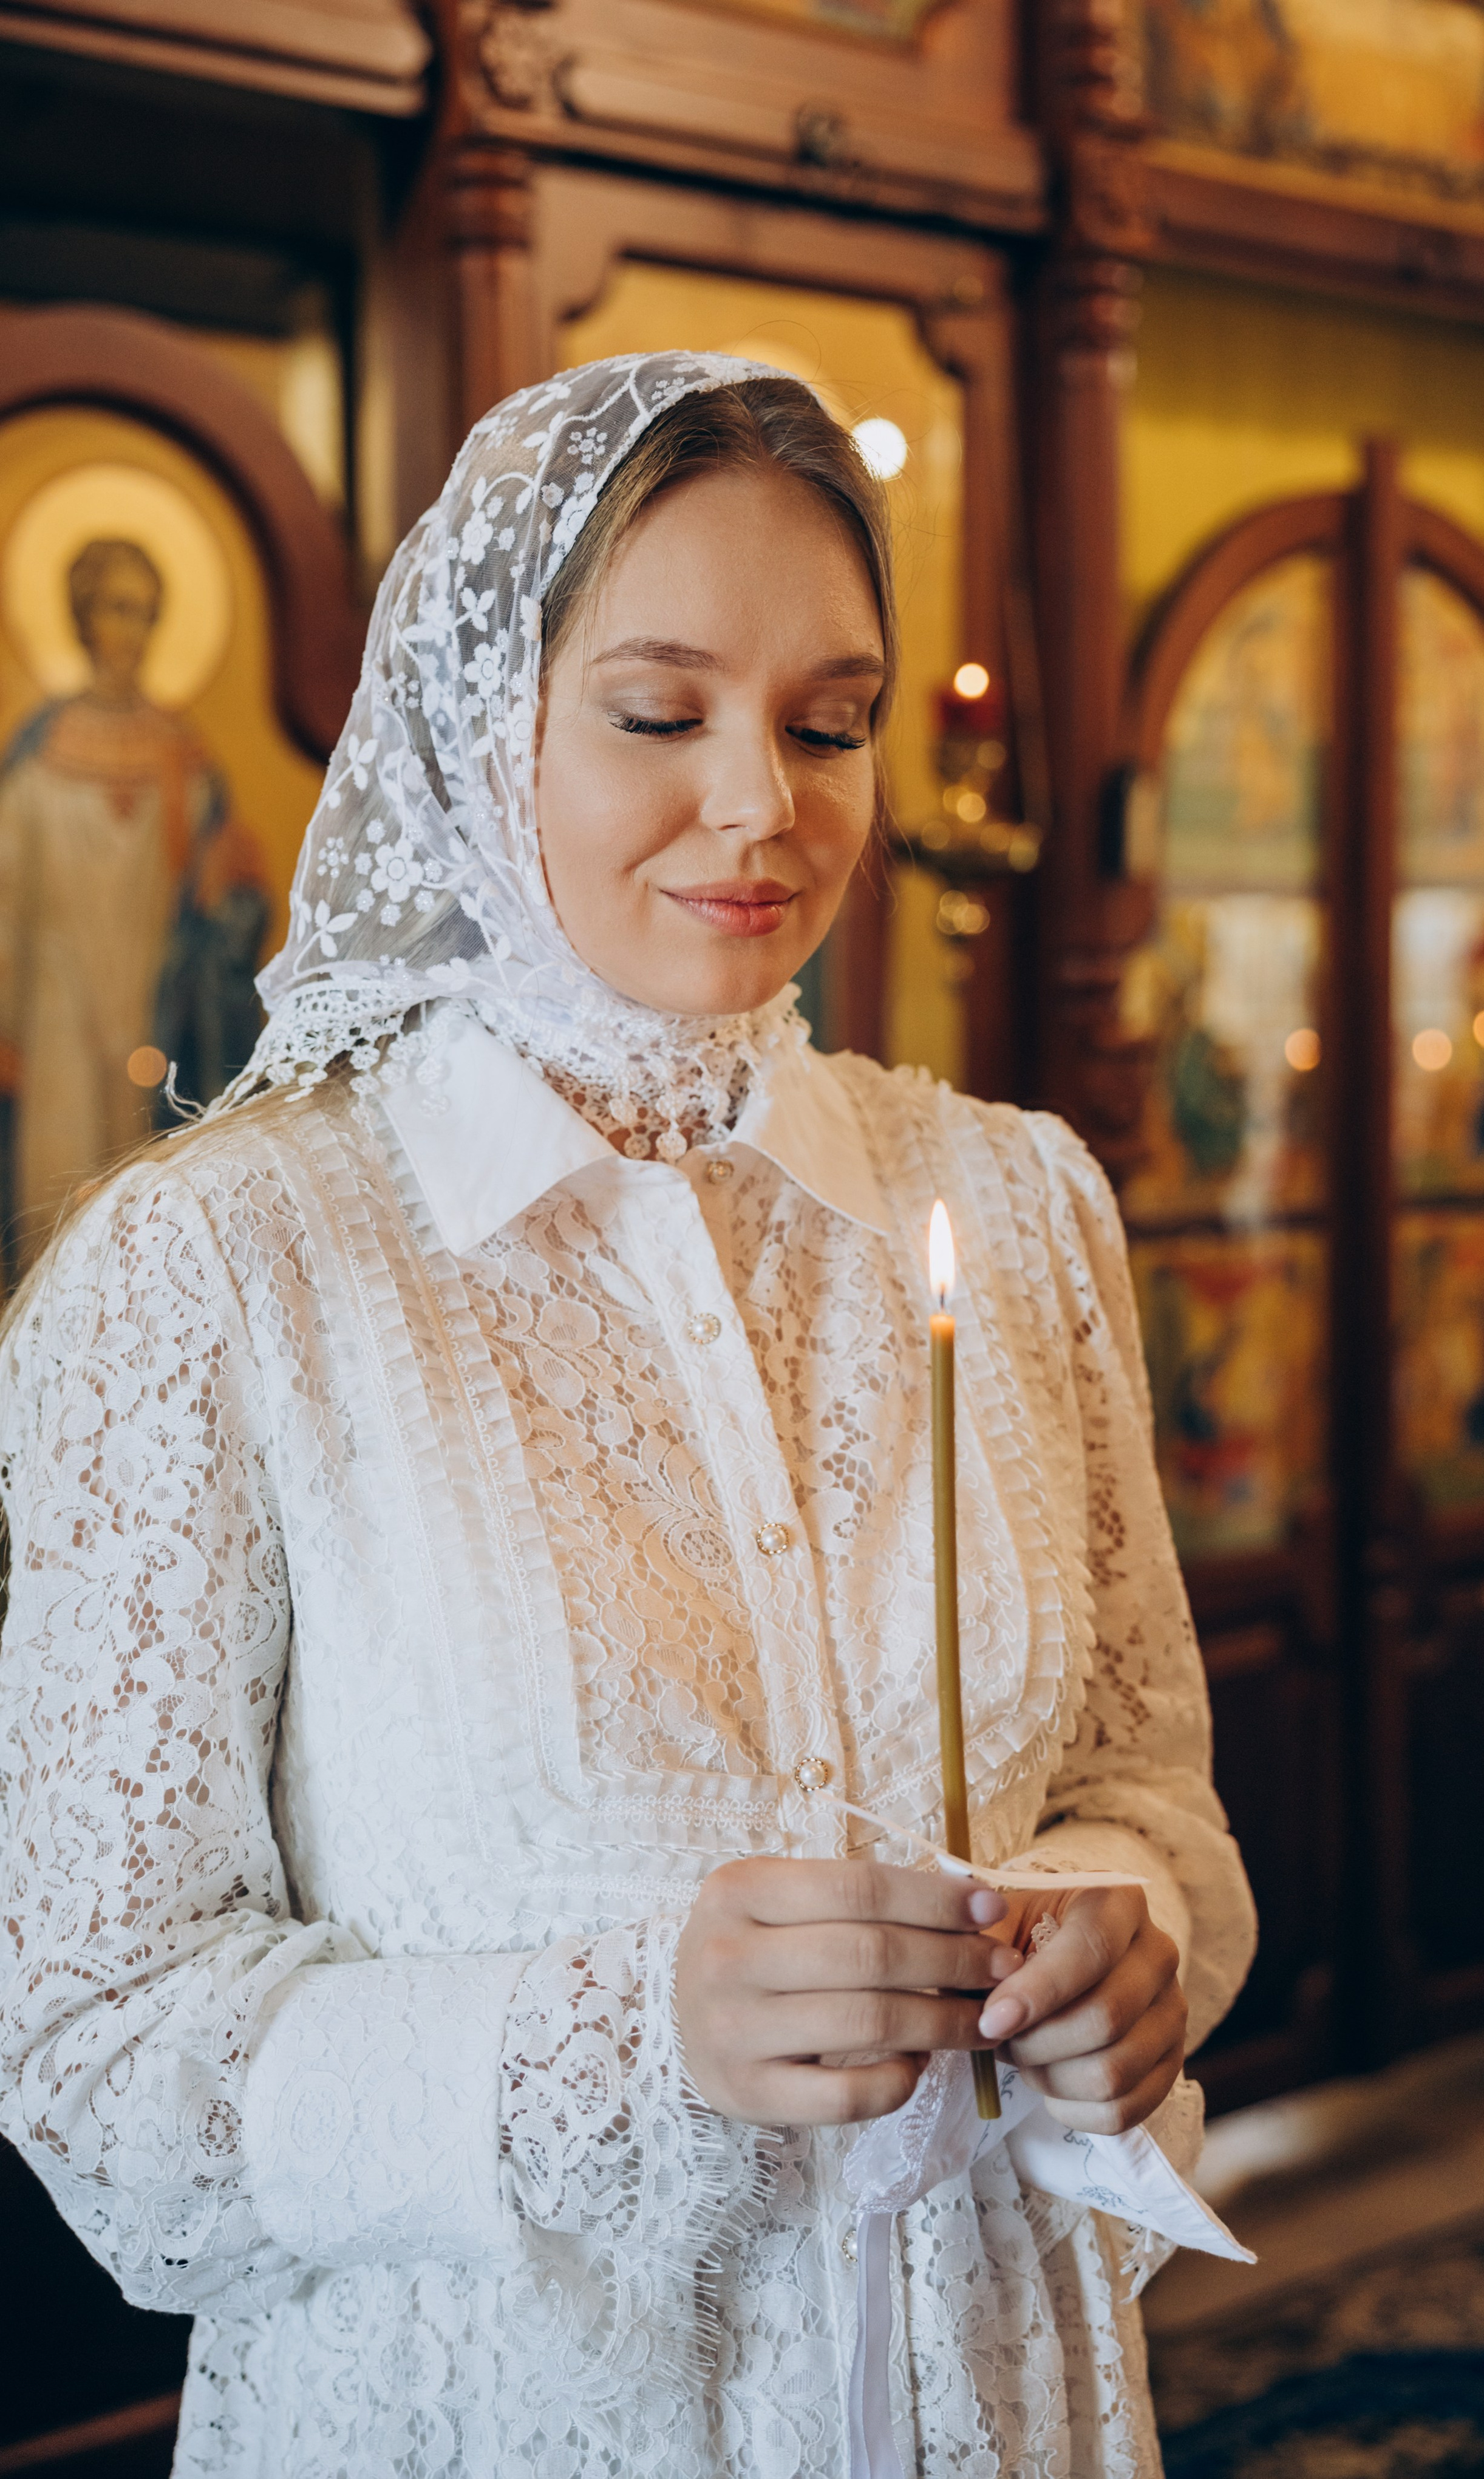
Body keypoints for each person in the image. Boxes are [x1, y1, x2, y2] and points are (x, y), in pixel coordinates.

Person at [0, 354, 1254, 2477]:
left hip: (998, 2396)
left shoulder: (1018, 1203)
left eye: (830, 724)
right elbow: (100, 2057)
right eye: (659, 714)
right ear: (478, 726)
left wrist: (1126, 1932)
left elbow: (1147, 1788)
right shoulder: (222, 1268)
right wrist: (620, 2036)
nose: (763, 802)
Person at [0, 536, 267, 1270]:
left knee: (145, 1210)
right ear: (83, 616)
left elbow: (223, 901)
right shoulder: (38, 758)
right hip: (54, 1013)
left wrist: (234, 889)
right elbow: (8, 903)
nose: (134, 632)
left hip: (156, 1016)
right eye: (118, 609)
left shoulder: (183, 756)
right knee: (51, 1206)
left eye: (147, 614)